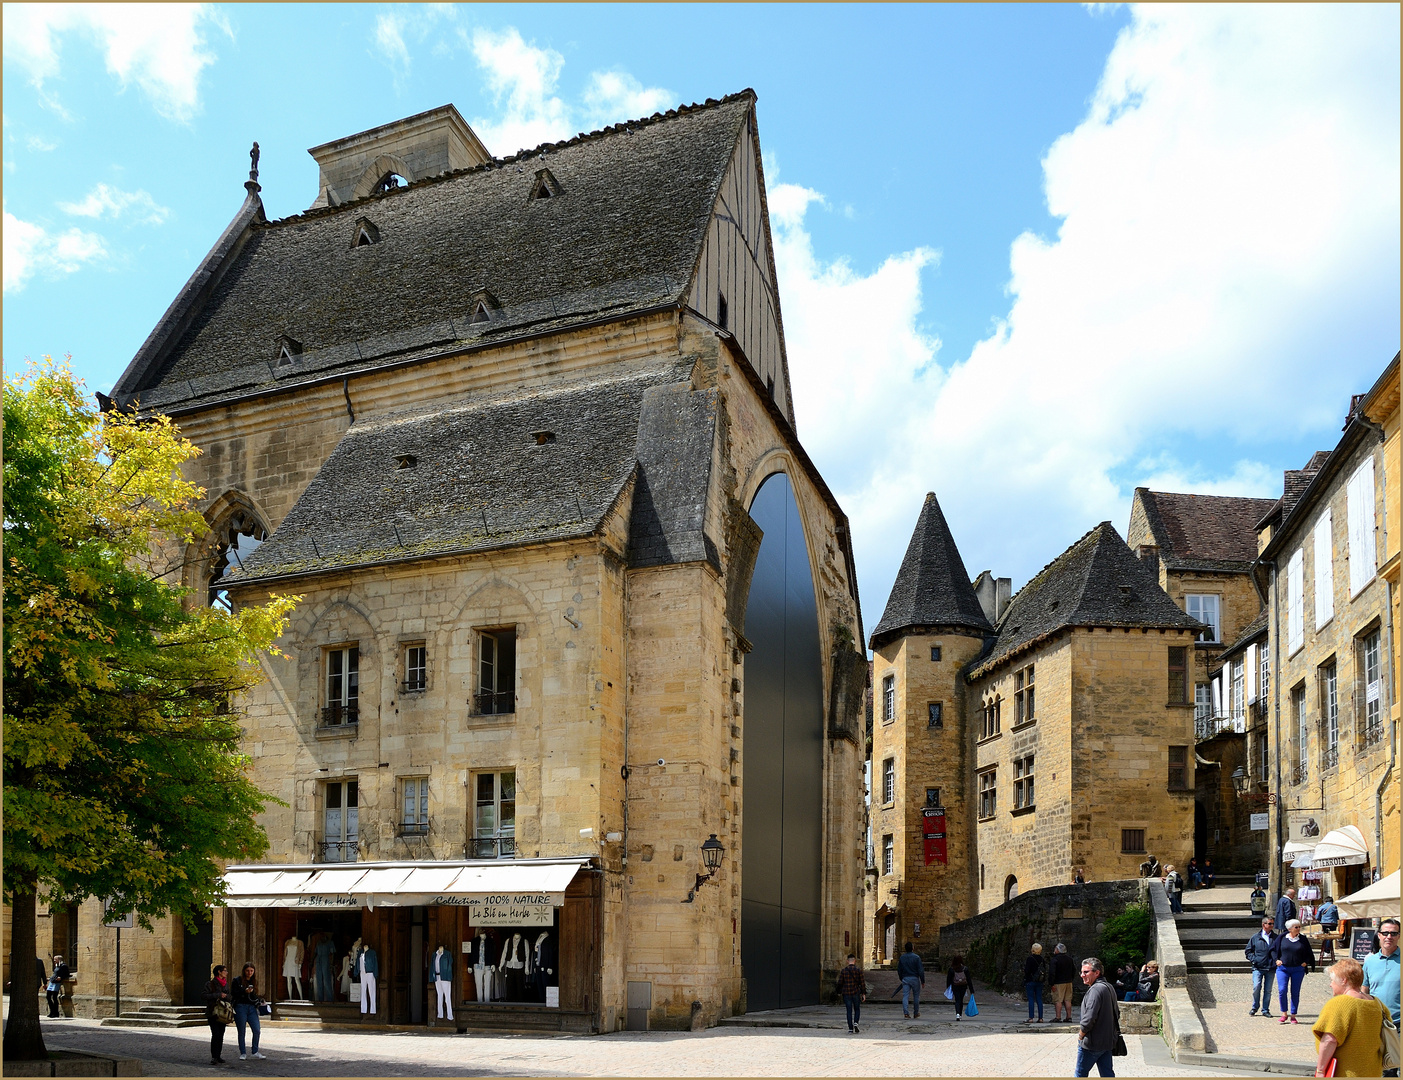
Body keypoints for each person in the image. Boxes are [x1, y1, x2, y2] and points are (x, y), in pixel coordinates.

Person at [1312, 958, 1387, 1078]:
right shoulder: (1377, 1003)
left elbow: (1330, 1040)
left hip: (1346, 1072)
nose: (1330, 984)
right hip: (1373, 1070)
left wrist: (1320, 1070)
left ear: (1343, 980)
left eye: (1332, 980)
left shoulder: (1339, 1004)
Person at [1362, 917, 1400, 1077]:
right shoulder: (1370, 962)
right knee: (1385, 1070)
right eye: (1385, 933)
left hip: (1400, 1023)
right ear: (1379, 935)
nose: (1389, 937)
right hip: (1379, 1024)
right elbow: (1364, 992)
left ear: (1399, 936)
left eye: (1393, 933)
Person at [1075, 956, 1120, 1078]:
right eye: (1081, 972)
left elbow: (1089, 1018)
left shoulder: (1096, 990)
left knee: (1080, 1073)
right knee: (1107, 1074)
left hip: (1093, 1043)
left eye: (1086, 972)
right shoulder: (1108, 987)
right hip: (1107, 1041)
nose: (1082, 975)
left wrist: (1081, 1035)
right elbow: (1117, 1013)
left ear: (1097, 973)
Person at [1273, 918, 1315, 1024]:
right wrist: (1276, 960)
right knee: (1282, 990)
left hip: (1298, 969)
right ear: (1290, 929)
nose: (1298, 929)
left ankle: (1293, 1015)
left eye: (1299, 927)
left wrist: (1306, 962)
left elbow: (1309, 953)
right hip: (1283, 969)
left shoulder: (1303, 939)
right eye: (1296, 927)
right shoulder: (1282, 938)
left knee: (1295, 992)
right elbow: (1273, 950)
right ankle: (1284, 1013)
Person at [231, 963, 266, 1061]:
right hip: (240, 1006)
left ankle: (255, 1051)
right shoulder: (237, 980)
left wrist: (260, 1000)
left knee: (257, 1030)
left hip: (251, 1008)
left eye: (251, 971)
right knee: (241, 1031)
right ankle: (243, 1052)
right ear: (244, 971)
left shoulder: (254, 981)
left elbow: (254, 996)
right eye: (247, 971)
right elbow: (233, 993)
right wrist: (244, 991)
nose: (249, 973)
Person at [1246, 915, 1279, 1017]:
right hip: (1258, 967)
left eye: (1272, 924)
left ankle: (1265, 1010)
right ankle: (1255, 1007)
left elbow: (1279, 951)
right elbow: (1248, 951)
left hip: (1270, 968)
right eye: (1269, 923)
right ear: (1263, 924)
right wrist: (1254, 960)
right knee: (1256, 987)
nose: (1271, 925)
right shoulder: (1256, 937)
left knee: (1268, 990)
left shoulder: (1276, 938)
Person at [204, 963, 232, 1066]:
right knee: (215, 1034)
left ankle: (218, 1055)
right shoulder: (210, 984)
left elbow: (230, 997)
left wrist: (226, 996)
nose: (226, 972)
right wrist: (218, 995)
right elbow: (204, 995)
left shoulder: (226, 984)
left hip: (223, 1013)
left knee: (221, 1035)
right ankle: (214, 1057)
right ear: (219, 972)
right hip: (213, 1013)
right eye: (224, 971)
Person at [835, 953, 866, 1034]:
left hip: (846, 992)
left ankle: (850, 1028)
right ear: (854, 961)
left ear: (847, 961)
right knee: (857, 1008)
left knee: (849, 1010)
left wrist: (838, 991)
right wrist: (863, 993)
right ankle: (856, 1022)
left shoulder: (844, 971)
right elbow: (862, 983)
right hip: (855, 992)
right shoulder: (859, 970)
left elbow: (840, 982)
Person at [897, 941, 924, 1019]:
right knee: (916, 996)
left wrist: (901, 978)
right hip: (915, 978)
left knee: (905, 995)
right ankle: (916, 1013)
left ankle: (906, 1013)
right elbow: (920, 970)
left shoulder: (902, 957)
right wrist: (922, 980)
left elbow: (899, 969)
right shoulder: (916, 957)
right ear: (912, 948)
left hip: (905, 978)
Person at [1050, 943, 1076, 1022]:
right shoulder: (1069, 959)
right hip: (1068, 981)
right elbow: (1074, 970)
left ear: (1058, 950)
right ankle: (1069, 1016)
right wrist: (1071, 978)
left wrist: (1051, 983)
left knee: (1058, 1000)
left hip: (1058, 982)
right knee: (1067, 1000)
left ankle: (1058, 1017)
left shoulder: (1055, 960)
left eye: (1055, 948)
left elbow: (1052, 972)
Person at [945, 954, 974, 1021]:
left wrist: (948, 987)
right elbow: (969, 979)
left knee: (957, 1000)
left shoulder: (952, 969)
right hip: (963, 986)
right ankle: (960, 1014)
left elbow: (948, 979)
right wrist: (971, 989)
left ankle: (957, 1013)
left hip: (955, 986)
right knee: (961, 1000)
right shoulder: (965, 969)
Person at [1024, 942, 1046, 1022]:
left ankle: (1031, 1018)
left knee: (1031, 999)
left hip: (1030, 980)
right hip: (1039, 981)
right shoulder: (1042, 959)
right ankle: (1040, 1018)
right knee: (1039, 999)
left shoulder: (1030, 959)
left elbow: (1027, 970)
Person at [46, 955, 71, 1019]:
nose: (54, 960)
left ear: (59, 960)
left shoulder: (63, 966)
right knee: (48, 996)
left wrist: (61, 978)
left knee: (54, 997)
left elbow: (67, 974)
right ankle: (52, 1011)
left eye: (55, 959)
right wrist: (50, 978)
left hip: (57, 983)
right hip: (52, 981)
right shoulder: (57, 966)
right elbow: (55, 973)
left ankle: (55, 1012)